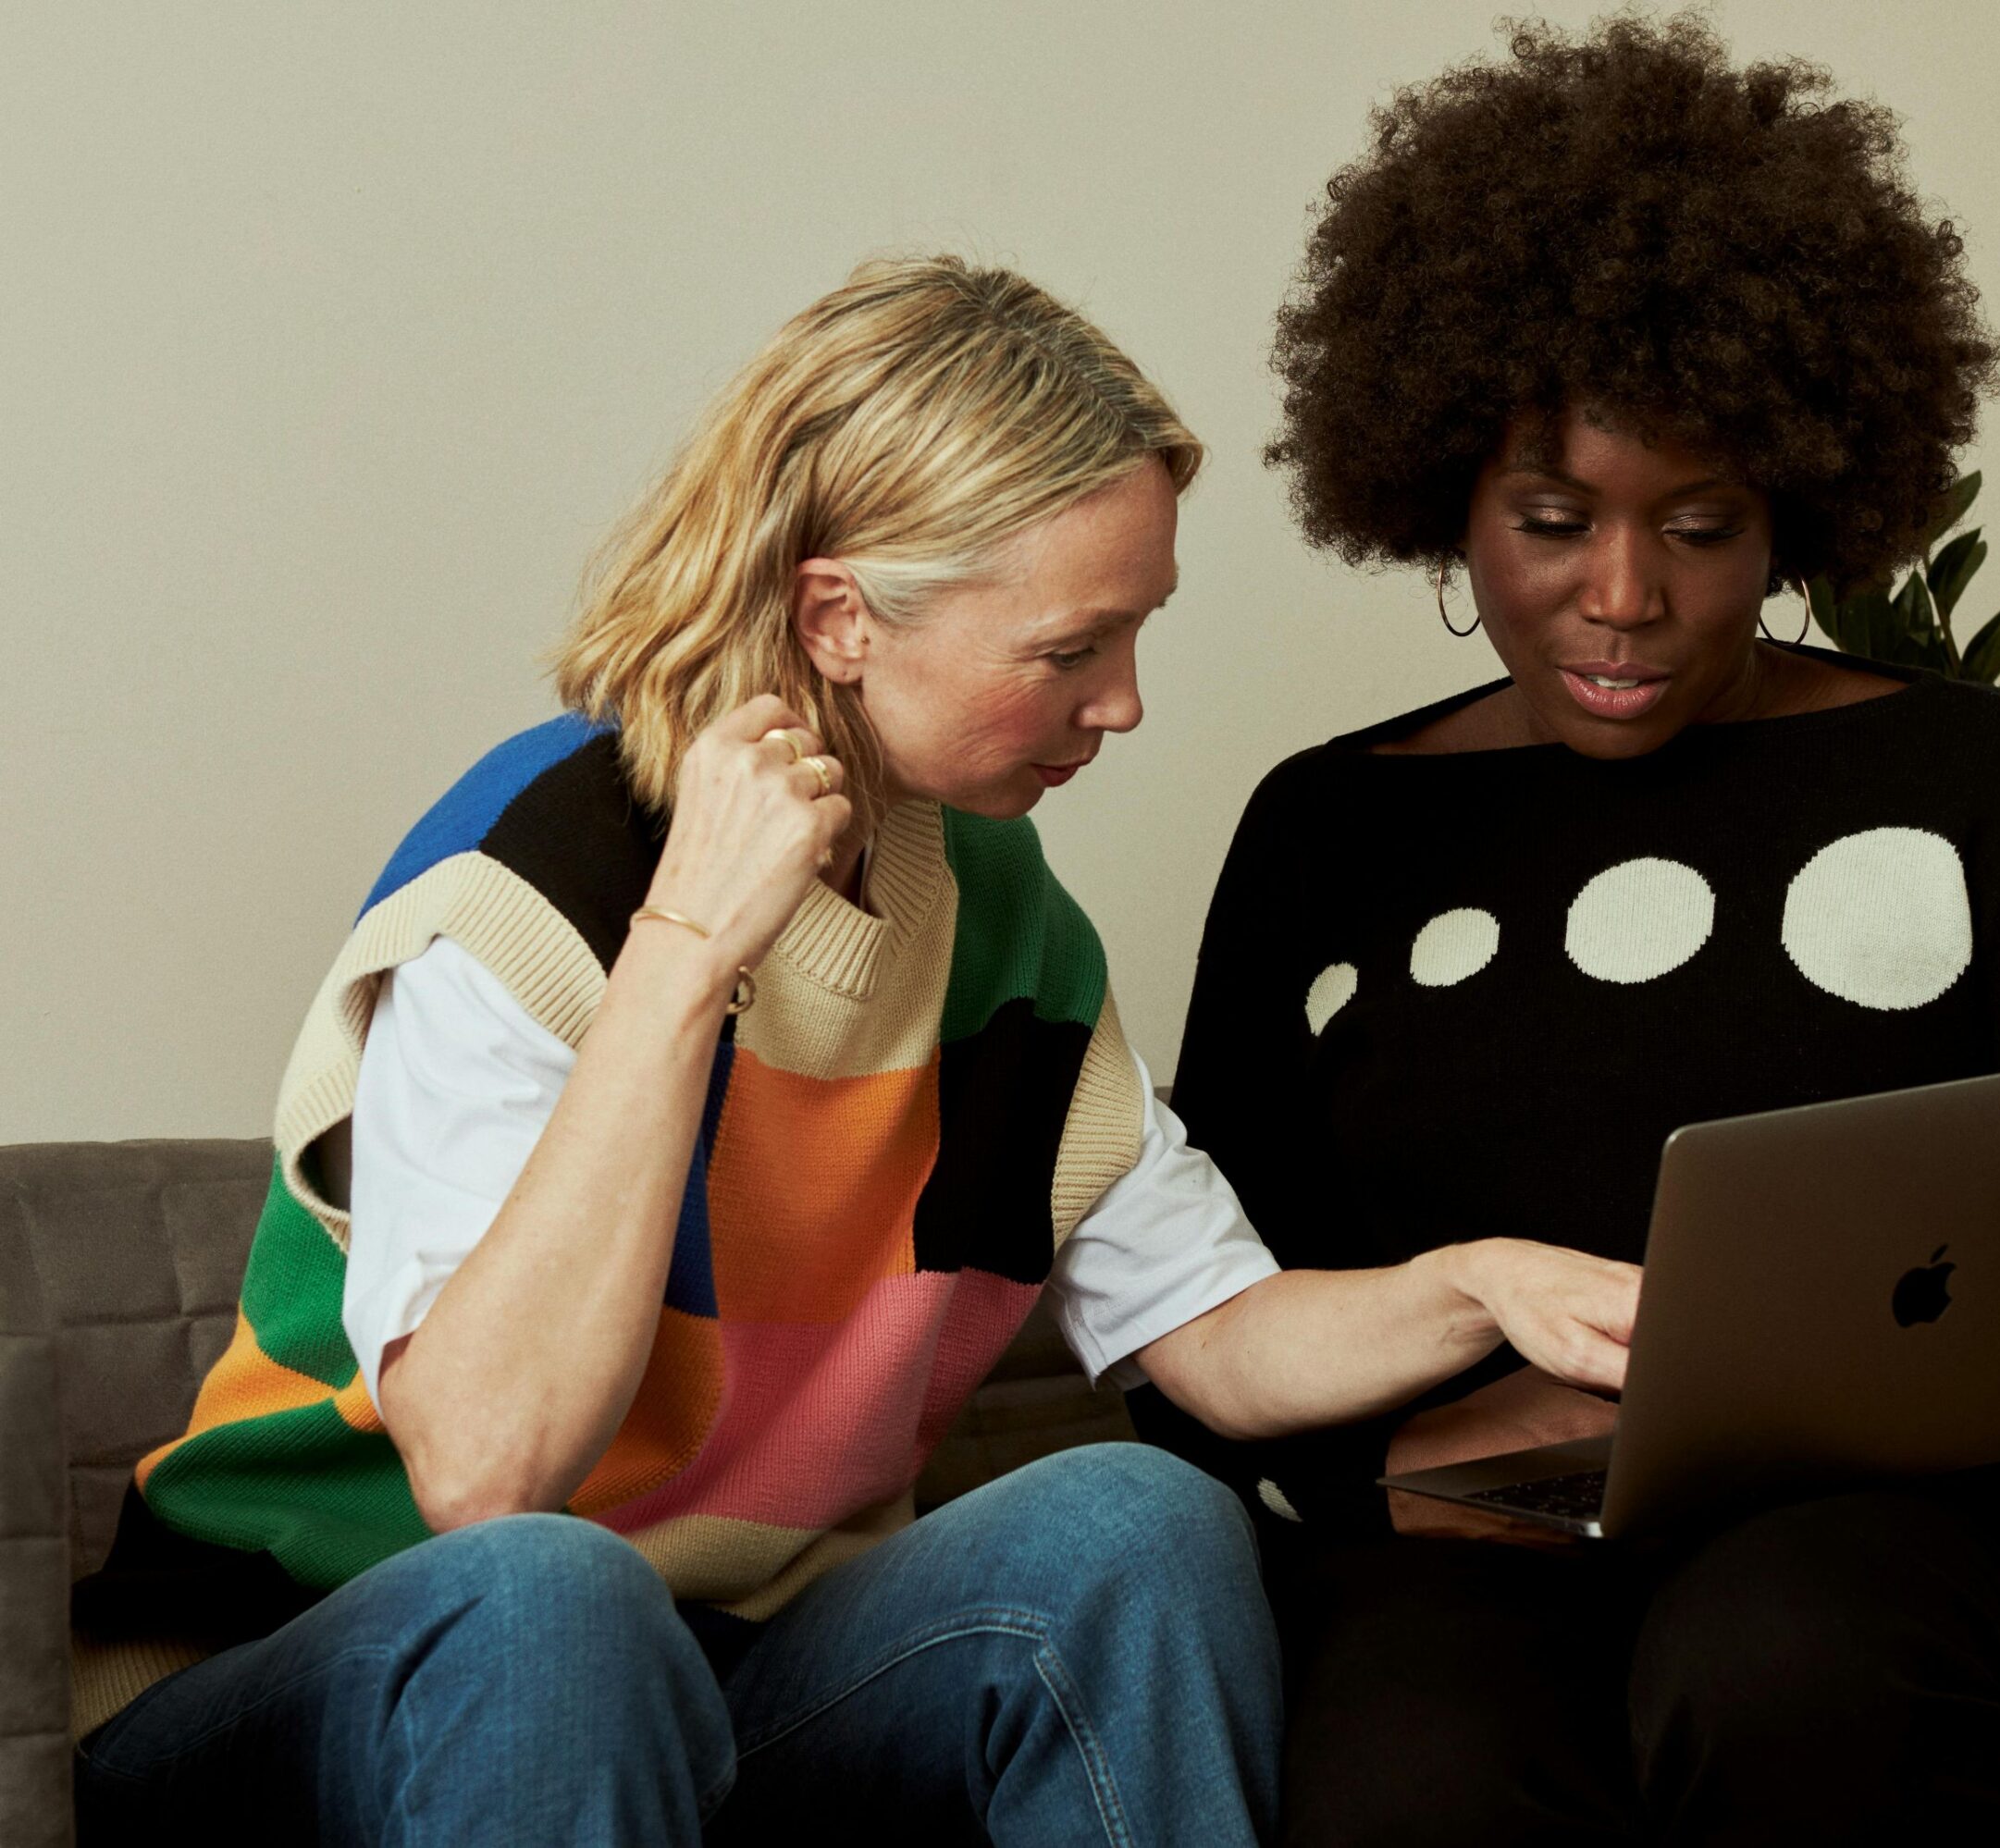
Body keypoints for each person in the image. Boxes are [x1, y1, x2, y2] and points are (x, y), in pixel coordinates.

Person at [70, 256, 1644, 1846]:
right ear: (838, 616)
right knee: (555, 1597)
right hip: (313, 1676)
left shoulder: (1000, 913)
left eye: (1138, 634)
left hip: (733, 1669)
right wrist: (686, 963)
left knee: (1136, 1516)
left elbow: (1217, 1337)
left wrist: (1481, 1282)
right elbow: (488, 1471)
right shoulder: (530, 878)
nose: (1127, 704)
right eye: (1069, 649)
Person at [1127, 19, 2000, 1847]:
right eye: (1550, 522)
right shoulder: (1328, 835)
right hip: (1472, 1566)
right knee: (1407, 1779)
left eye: (1696, 528)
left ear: (1790, 504)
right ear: (1441, 496)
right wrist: (1388, 1470)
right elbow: (1191, 1341)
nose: (1619, 599)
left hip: (1918, 1562)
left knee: (1784, 1664)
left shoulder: (1969, 781)